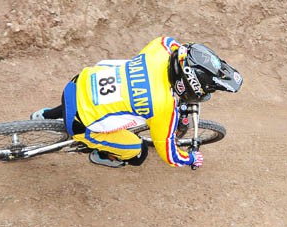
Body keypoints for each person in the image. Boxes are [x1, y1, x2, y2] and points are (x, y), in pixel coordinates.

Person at [29, 37, 242, 168]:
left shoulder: (160, 49)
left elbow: (173, 44)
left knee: (96, 98)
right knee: (139, 153)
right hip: (80, 123)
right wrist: (190, 159)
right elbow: (170, 156)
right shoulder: (163, 107)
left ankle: (46, 115)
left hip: (77, 84)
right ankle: (102, 155)